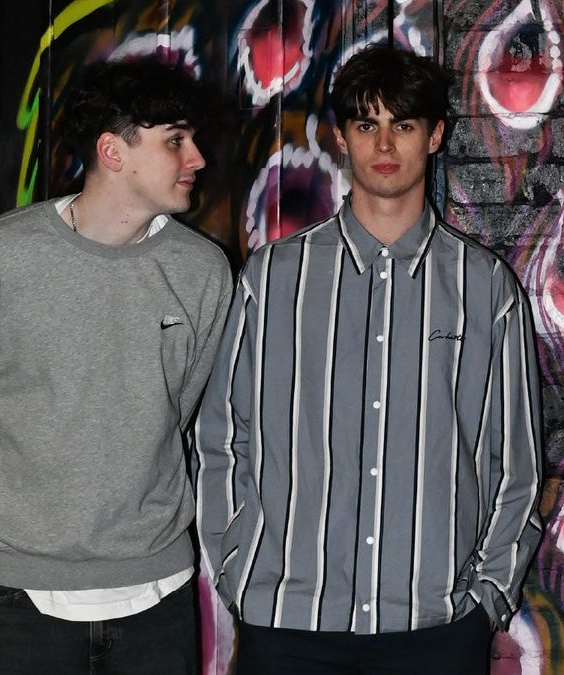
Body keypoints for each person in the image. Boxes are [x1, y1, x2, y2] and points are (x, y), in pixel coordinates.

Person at [195, 44, 543, 674]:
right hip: (288, 627)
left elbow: (514, 465)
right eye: (365, 124)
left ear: (434, 136)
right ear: (342, 138)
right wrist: (235, 570)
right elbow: (221, 436)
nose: (384, 144)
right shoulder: (273, 279)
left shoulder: (486, 288)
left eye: (402, 125)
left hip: (436, 633)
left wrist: (486, 600)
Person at [0, 57, 233, 674]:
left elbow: (181, 410)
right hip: (17, 598)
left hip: (158, 596)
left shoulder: (203, 271)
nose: (197, 158)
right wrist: (33, 510)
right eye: (175, 140)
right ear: (112, 152)